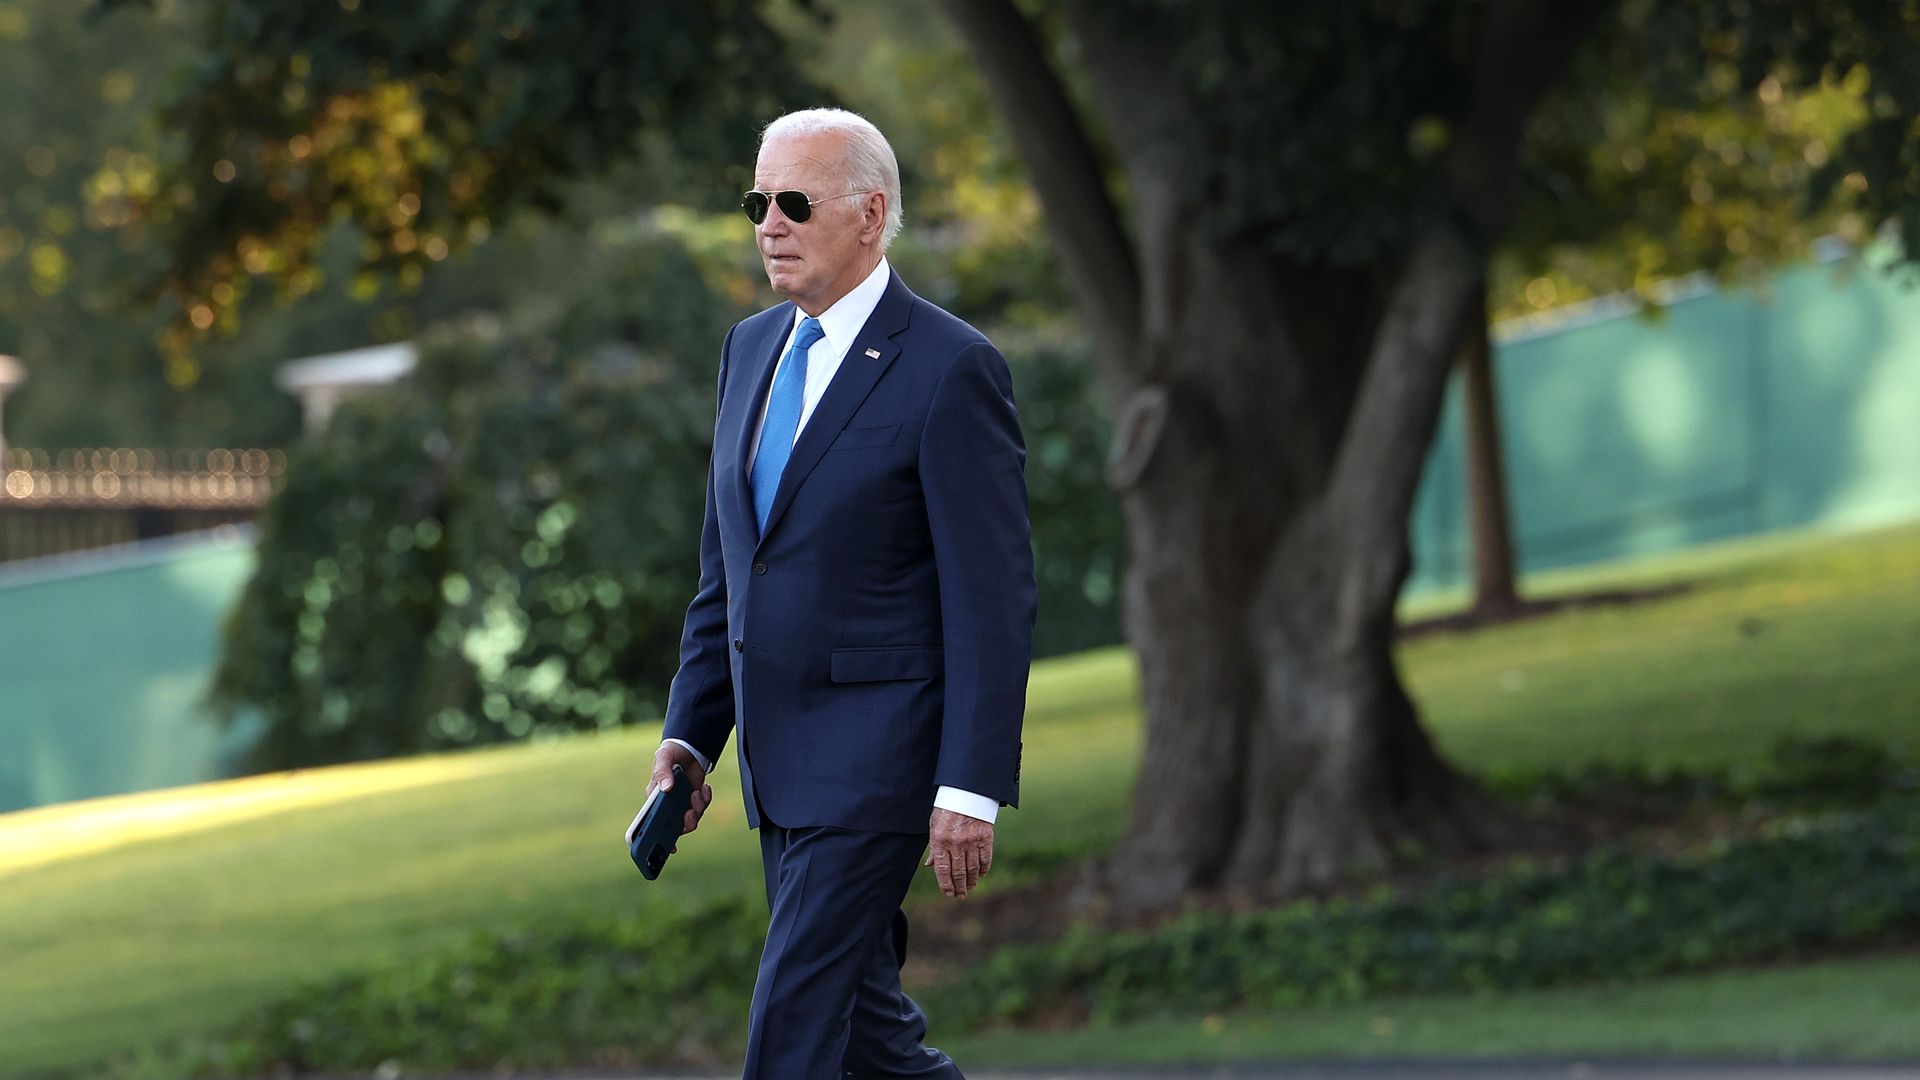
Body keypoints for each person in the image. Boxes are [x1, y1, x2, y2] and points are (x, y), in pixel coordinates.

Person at [646, 107, 1037, 1078]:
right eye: (757, 204)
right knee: (868, 1033)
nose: (769, 224)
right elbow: (729, 574)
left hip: (880, 761)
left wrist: (970, 787)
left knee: (792, 1025)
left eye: (793, 202)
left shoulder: (952, 367)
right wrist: (690, 737)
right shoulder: (748, 351)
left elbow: (993, 600)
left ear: (870, 214)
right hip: (776, 764)